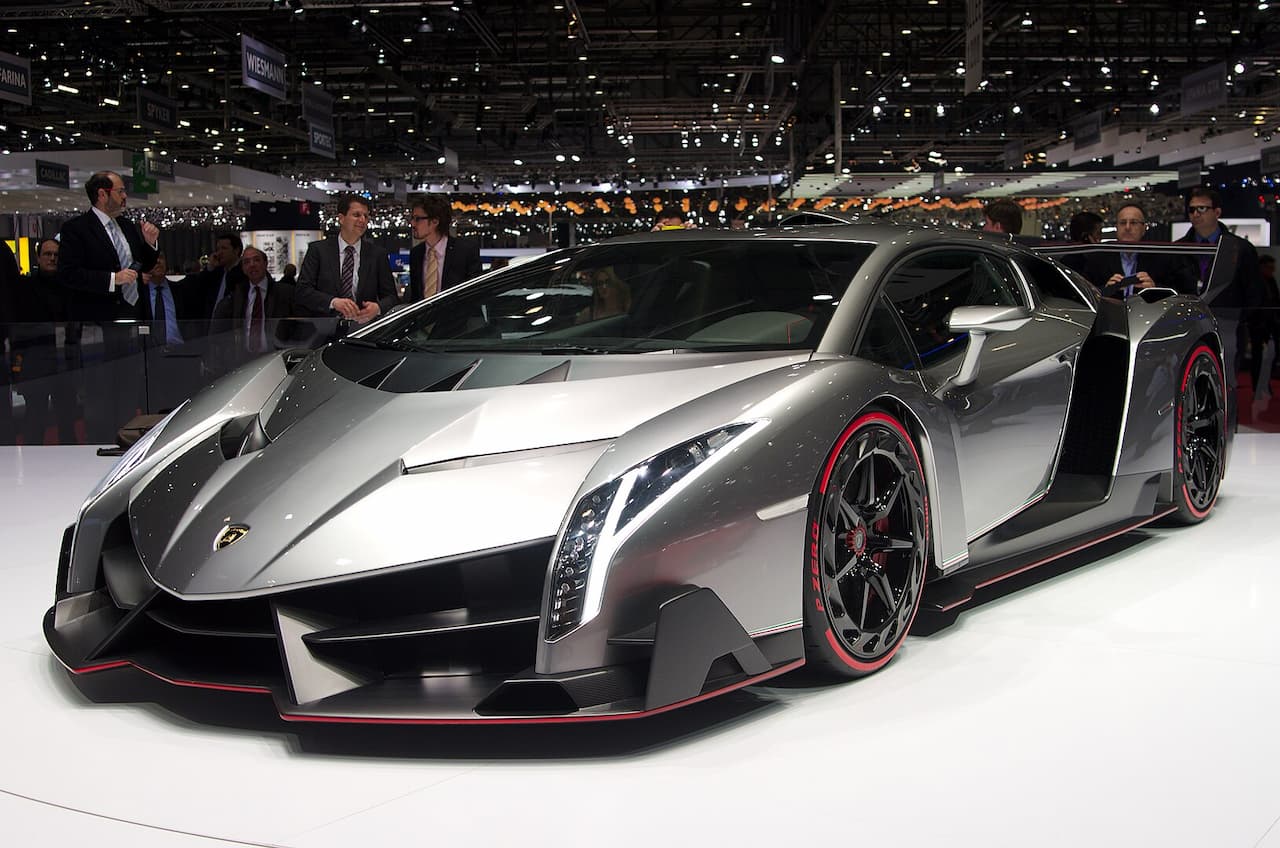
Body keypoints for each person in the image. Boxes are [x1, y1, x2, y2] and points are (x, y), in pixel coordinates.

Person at [57, 170, 161, 442]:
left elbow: (144, 265)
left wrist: (151, 245)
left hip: (132, 321)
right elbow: (68, 274)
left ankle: (127, 444)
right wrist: (111, 279)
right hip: (99, 326)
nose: (125, 196)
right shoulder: (76, 230)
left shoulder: (127, 227)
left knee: (129, 391)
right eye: (121, 191)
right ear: (102, 194)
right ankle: (101, 443)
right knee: (100, 393)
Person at [10, 239, 77, 444]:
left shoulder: (68, 287)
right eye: (48, 254)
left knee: (67, 419)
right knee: (35, 418)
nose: (52, 258)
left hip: (64, 361)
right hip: (35, 361)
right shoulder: (24, 287)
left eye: (56, 255)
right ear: (38, 258)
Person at [294, 194, 398, 323]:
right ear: (341, 218)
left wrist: (378, 308)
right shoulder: (318, 250)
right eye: (357, 215)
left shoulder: (377, 254)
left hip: (362, 329)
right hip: (323, 329)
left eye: (366, 216)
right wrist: (333, 302)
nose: (362, 220)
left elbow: (392, 297)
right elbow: (302, 291)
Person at [1082, 203, 1181, 298]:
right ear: (1116, 228)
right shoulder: (1098, 257)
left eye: (1133, 223)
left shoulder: (1161, 258)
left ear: (1144, 228)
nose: (1127, 227)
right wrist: (1105, 290)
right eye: (1123, 223)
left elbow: (1178, 293)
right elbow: (1085, 293)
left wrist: (1155, 289)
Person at [213, 246, 296, 354]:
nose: (252, 265)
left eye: (256, 260)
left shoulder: (285, 293)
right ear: (243, 268)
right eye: (246, 262)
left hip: (277, 356)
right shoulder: (236, 297)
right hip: (244, 359)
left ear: (265, 264)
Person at [405, 194, 482, 302]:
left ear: (435, 221)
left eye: (417, 219)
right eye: (412, 218)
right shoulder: (416, 253)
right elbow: (416, 298)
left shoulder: (465, 251)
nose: (412, 223)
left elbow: (475, 295)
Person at [190, 232, 246, 320]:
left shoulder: (244, 272)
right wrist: (210, 267)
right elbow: (199, 287)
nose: (219, 253)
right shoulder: (217, 271)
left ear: (236, 250)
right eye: (218, 249)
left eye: (224, 248)